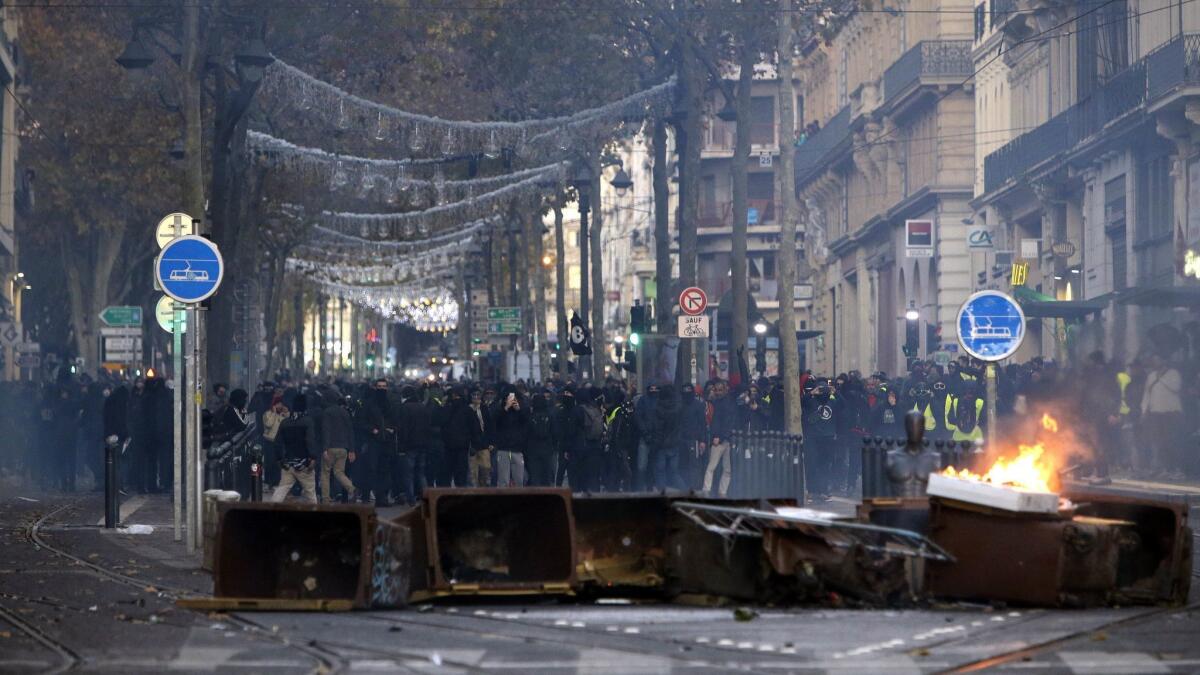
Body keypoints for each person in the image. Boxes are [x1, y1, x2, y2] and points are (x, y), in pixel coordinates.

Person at [272, 394, 319, 503]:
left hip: (288, 463)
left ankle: (269, 512)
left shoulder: (285, 423)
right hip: (304, 464)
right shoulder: (308, 421)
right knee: (310, 494)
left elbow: (277, 443)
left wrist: (279, 459)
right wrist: (313, 457)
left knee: (281, 490)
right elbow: (310, 440)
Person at [320, 392, 357, 503]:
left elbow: (326, 430)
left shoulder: (327, 412)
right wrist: (352, 450)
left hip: (330, 447)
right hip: (343, 448)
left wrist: (325, 448)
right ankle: (352, 488)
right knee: (339, 472)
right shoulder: (344, 412)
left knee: (325, 473)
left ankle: (325, 498)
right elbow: (350, 431)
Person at [491, 385, 529, 487]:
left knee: (519, 480)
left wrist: (519, 410)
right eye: (509, 397)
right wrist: (506, 408)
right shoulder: (499, 408)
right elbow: (494, 421)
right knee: (503, 480)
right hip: (503, 448)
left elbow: (526, 423)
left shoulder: (522, 408)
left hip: (517, 448)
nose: (512, 399)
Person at [442, 387, 481, 487]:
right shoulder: (468, 410)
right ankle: (460, 495)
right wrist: (475, 445)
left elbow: (441, 424)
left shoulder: (447, 409)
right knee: (461, 474)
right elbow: (475, 428)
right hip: (463, 446)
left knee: (447, 474)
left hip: (448, 446)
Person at [702, 380, 736, 497]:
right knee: (715, 467)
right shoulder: (720, 402)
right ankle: (714, 491)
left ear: (725, 390)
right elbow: (718, 422)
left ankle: (717, 492)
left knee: (723, 468)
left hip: (724, 439)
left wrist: (717, 436)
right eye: (716, 390)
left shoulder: (718, 402)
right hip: (724, 438)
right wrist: (717, 436)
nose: (718, 392)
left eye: (720, 390)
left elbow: (720, 422)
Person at [651, 384, 685, 490]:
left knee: (660, 472)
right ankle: (685, 491)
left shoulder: (658, 409)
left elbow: (658, 429)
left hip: (661, 445)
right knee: (674, 472)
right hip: (674, 443)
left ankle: (662, 495)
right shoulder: (678, 407)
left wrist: (655, 445)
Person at [526, 394, 558, 486]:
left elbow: (526, 434)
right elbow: (555, 433)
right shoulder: (550, 416)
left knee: (535, 477)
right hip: (547, 449)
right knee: (546, 477)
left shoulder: (530, 417)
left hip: (533, 450)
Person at [467, 388, 492, 487]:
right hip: (472, 445)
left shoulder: (484, 408)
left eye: (478, 395)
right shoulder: (468, 409)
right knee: (473, 472)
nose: (476, 397)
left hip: (484, 443)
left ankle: (483, 487)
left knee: (486, 468)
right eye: (474, 395)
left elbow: (490, 426)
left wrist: (490, 442)